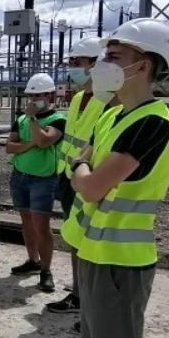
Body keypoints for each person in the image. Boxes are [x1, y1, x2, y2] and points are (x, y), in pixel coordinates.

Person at [57, 18, 169, 338]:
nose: (103, 64)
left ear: (143, 66)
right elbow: (82, 165)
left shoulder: (154, 123)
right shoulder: (113, 114)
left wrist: (82, 169)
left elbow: (89, 184)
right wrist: (82, 168)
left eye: (114, 56)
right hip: (94, 253)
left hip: (121, 265)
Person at [47, 37, 113, 314]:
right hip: (68, 176)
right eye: (71, 62)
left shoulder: (108, 100)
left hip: (89, 180)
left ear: (96, 65)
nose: (72, 68)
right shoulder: (77, 99)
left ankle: (84, 296)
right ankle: (79, 289)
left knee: (88, 240)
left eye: (78, 62)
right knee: (74, 237)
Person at [6, 73, 66, 292]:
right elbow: (9, 147)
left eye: (38, 95)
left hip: (43, 179)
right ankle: (32, 260)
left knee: (41, 226)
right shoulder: (20, 119)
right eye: (30, 95)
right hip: (20, 176)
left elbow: (43, 141)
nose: (33, 100)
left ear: (49, 95)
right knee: (27, 222)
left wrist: (32, 121)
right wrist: (30, 143)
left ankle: (46, 270)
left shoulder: (57, 120)